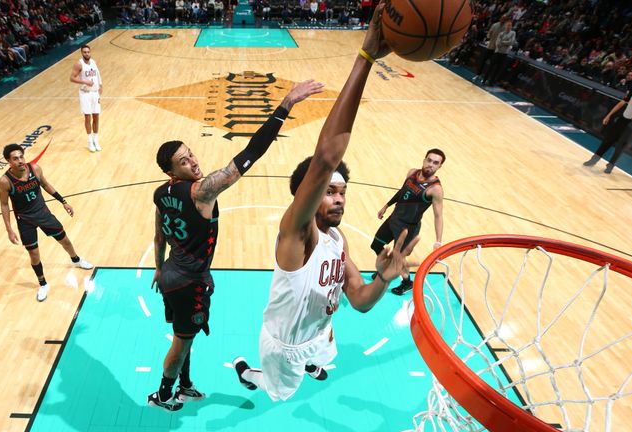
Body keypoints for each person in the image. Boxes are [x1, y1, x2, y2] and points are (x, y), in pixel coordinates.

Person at [233, 4, 419, 402]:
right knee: (278, 393)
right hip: (283, 347)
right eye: (329, 191)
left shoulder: (338, 240)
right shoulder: (298, 234)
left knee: (325, 343)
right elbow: (325, 159)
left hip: (319, 329)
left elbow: (361, 302)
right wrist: (366, 58)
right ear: (309, 195)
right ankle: (248, 372)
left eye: (342, 192)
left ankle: (315, 357)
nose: (337, 198)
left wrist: (384, 279)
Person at [148, 79, 324, 411]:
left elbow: (159, 236)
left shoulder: (160, 193)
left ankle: (184, 385)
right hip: (189, 282)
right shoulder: (202, 191)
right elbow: (250, 153)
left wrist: (158, 267)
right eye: (184, 162)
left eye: (191, 154)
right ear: (172, 170)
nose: (193, 162)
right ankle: (163, 394)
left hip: (171, 274)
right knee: (181, 341)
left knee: (183, 338)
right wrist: (285, 105)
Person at [0, 143, 93, 302]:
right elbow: (4, 204)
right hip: (25, 220)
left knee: (65, 240)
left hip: (44, 214)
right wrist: (9, 229)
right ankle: (43, 284)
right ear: (8, 161)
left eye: (21, 156)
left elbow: (46, 185)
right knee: (34, 254)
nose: (20, 161)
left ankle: (76, 260)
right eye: (15, 159)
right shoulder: (5, 181)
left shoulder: (35, 169)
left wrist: (63, 201)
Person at [370, 149, 446, 295]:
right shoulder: (412, 173)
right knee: (376, 244)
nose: (431, 164)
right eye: (429, 160)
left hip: (408, 228)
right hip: (394, 219)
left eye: (435, 163)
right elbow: (402, 191)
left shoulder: (435, 189)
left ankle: (406, 282)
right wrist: (387, 205)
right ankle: (387, 268)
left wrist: (438, 240)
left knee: (398, 258)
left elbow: (438, 216)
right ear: (424, 160)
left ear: (439, 167)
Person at [583, 75, 632, 174]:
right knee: (608, 140)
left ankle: (611, 165)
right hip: (623, 119)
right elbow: (622, 103)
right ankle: (594, 159)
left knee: (621, 145)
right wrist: (609, 115)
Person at [69, 45, 103, 152]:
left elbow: (98, 75)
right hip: (85, 93)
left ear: (90, 52)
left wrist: (101, 86)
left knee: (96, 116)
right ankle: (89, 142)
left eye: (88, 52)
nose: (87, 54)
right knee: (88, 117)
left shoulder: (94, 62)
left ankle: (95, 140)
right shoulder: (79, 64)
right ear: (81, 53)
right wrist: (84, 81)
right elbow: (71, 78)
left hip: (94, 93)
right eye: (84, 52)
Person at [482, 18, 516, 87]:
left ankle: (491, 82)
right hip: (497, 52)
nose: (508, 27)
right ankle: (484, 79)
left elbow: (511, 42)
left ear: (511, 26)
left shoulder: (513, 33)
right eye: (507, 25)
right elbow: (497, 43)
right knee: (490, 67)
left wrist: (503, 42)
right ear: (505, 26)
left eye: (510, 25)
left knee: (498, 69)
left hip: (504, 54)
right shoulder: (501, 33)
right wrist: (506, 43)